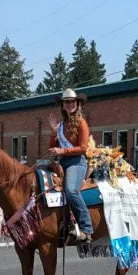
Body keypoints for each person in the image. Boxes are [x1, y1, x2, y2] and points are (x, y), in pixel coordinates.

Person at [47, 88, 93, 243]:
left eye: (72, 101)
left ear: (77, 104)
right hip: (62, 162)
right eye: (67, 102)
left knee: (71, 190)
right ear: (63, 105)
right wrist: (54, 133)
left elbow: (83, 148)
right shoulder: (60, 125)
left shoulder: (82, 123)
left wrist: (62, 149)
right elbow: (51, 145)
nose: (70, 104)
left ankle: (86, 228)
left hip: (77, 161)